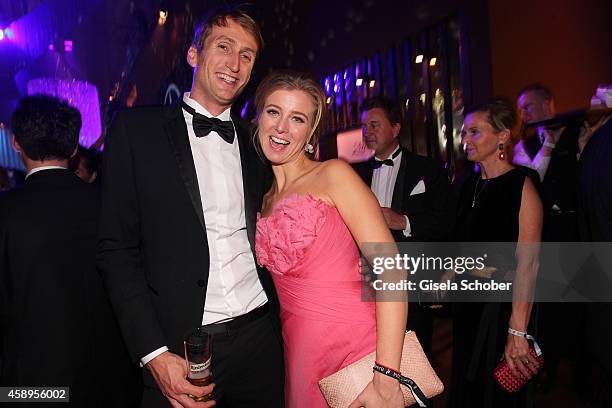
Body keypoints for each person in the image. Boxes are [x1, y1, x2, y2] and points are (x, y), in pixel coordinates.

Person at [97, 7, 284, 408]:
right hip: (183, 347)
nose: (235, 64)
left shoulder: (259, 145)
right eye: (224, 47)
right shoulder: (135, 132)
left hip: (261, 339)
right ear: (193, 55)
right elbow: (116, 251)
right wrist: (153, 355)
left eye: (247, 55)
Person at [254, 70, 408, 408]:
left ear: (310, 132)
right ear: (258, 118)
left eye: (297, 119)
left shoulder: (333, 174)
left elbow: (392, 270)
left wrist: (386, 376)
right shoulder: (263, 200)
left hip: (358, 350)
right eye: (273, 111)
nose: (281, 127)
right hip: (299, 354)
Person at [0, 95, 141, 407]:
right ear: (74, 148)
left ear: (15, 143)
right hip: (116, 381)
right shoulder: (111, 204)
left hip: (35, 389)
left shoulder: (6, 212)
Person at [450, 99, 543, 407]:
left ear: (503, 136)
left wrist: (517, 330)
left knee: (497, 397)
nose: (465, 140)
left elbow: (528, 263)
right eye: (465, 133)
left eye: (475, 132)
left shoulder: (522, 186)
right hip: (468, 312)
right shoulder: (467, 186)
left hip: (502, 311)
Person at [353, 96, 455, 356]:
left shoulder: (428, 169)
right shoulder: (355, 175)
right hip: (368, 283)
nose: (368, 132)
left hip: (413, 282)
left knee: (416, 359)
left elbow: (446, 222)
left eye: (375, 125)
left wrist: (404, 221)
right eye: (365, 126)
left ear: (396, 128)